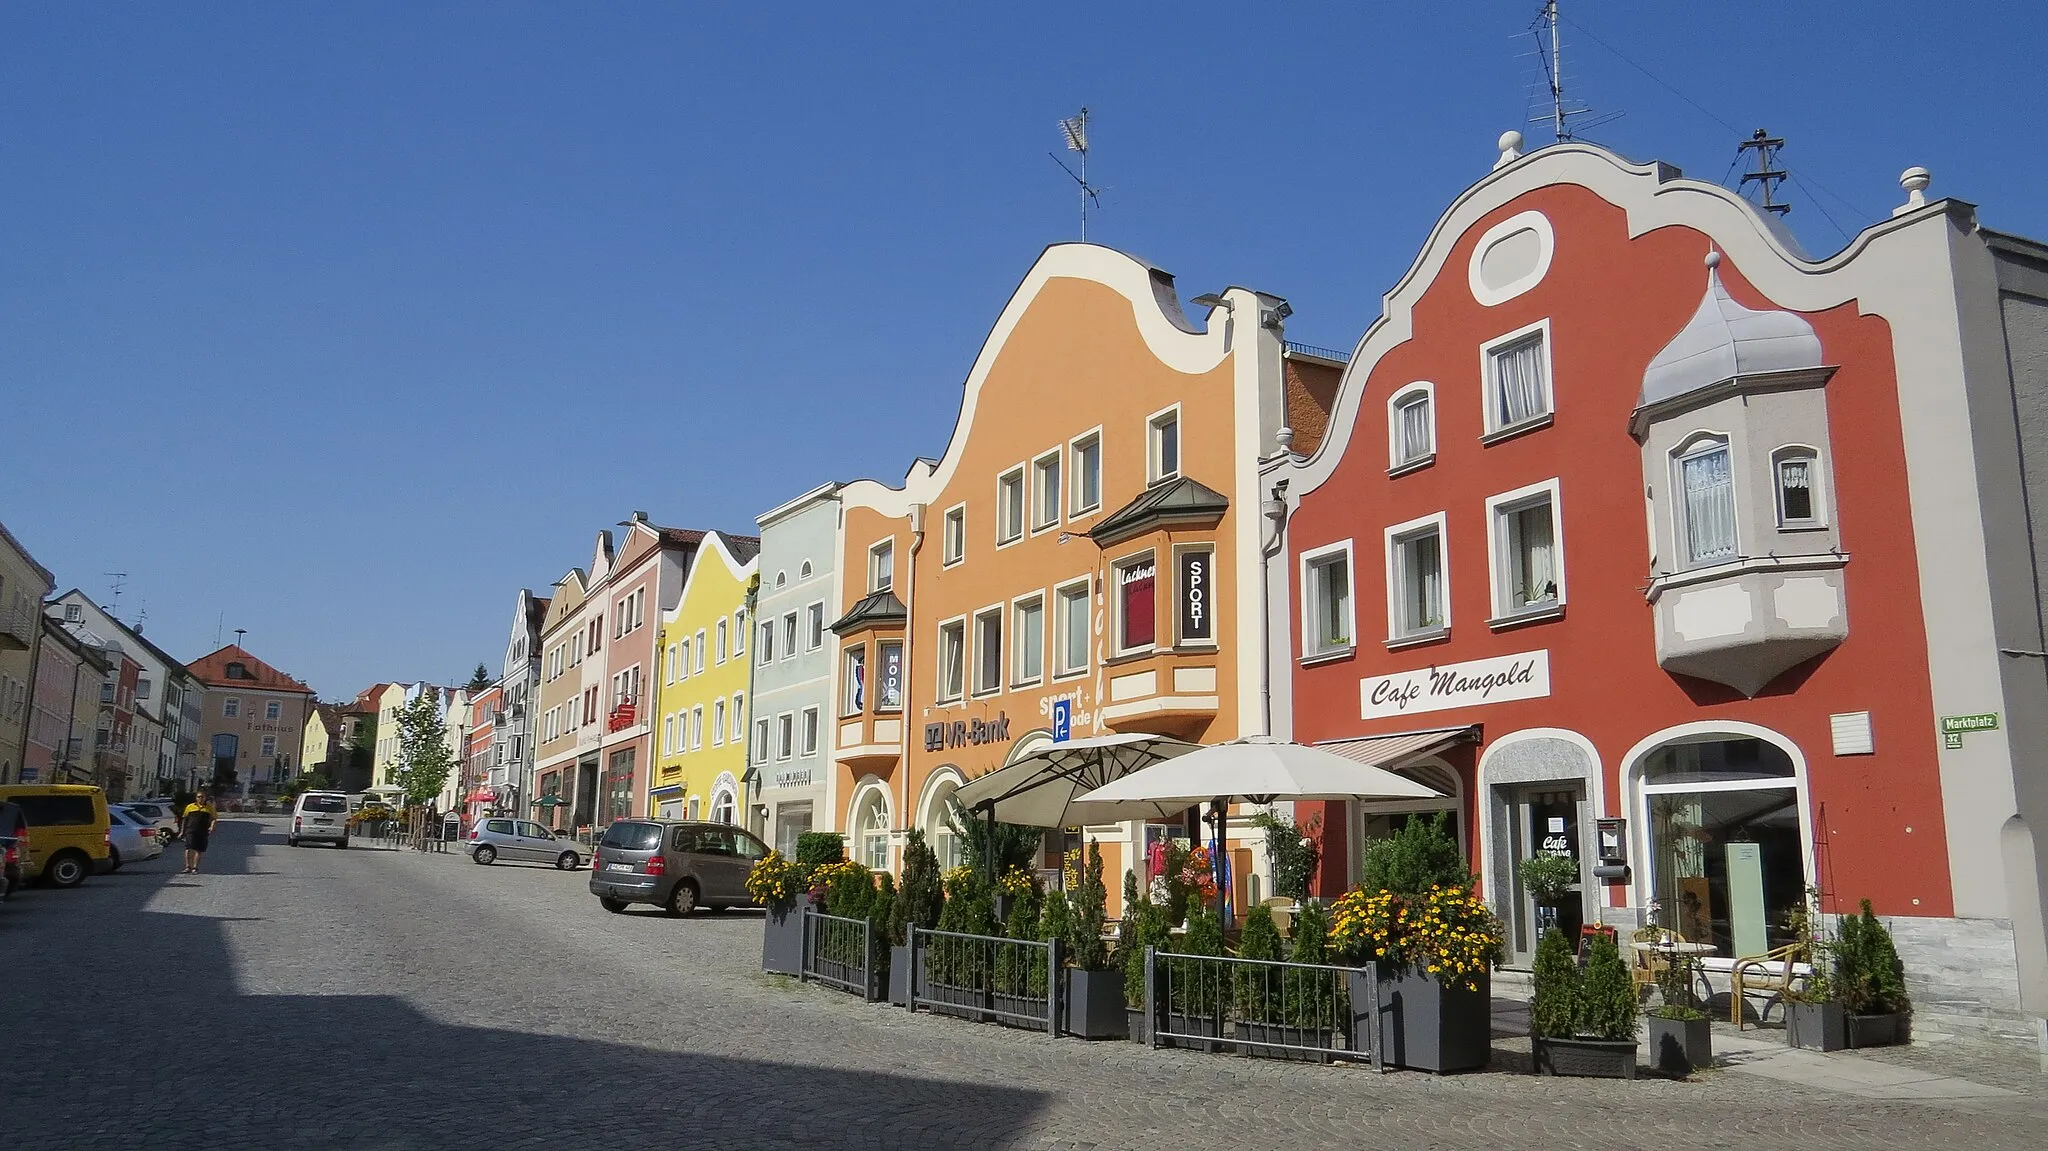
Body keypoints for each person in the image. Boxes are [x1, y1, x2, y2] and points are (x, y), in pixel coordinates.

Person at [180, 795, 217, 874]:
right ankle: (187, 867)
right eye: (199, 797)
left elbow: (214, 818)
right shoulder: (190, 807)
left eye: (202, 797)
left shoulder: (209, 808)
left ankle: (195, 867)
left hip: (202, 831)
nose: (200, 798)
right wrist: (182, 831)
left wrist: (212, 826)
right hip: (190, 830)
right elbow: (184, 819)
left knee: (199, 850)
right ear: (196, 798)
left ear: (205, 798)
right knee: (188, 848)